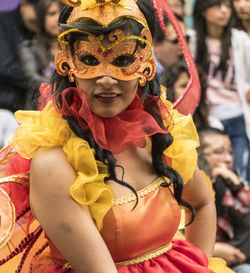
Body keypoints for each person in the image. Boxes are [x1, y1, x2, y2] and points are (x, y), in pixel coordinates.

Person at [0, 0, 233, 272]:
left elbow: (203, 204)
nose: (107, 79)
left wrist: (198, 265)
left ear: (145, 65)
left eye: (123, 60)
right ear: (67, 64)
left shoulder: (162, 131)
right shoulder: (54, 163)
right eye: (89, 60)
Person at [193, 0, 250, 181]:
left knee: (240, 169)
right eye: (217, 6)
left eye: (227, 6)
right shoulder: (193, 40)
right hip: (210, 115)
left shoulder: (240, 40)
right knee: (211, 171)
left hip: (238, 113)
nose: (224, 11)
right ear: (203, 10)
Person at [198, 127, 250, 273]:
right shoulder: (186, 187)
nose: (228, 159)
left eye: (230, 152)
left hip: (235, 258)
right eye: (219, 152)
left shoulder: (227, 183)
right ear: (198, 155)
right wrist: (215, 250)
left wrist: (237, 185)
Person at [18, 0, 64, 110]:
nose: (58, 19)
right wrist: (64, 86)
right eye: (52, 14)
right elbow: (32, 79)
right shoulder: (29, 48)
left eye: (62, 14)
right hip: (39, 113)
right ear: (42, 18)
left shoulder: (74, 48)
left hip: (68, 111)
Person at [0, 0, 39, 112]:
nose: (38, 26)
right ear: (24, 4)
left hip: (34, 109)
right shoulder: (3, 22)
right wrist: (42, 84)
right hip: (5, 108)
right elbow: (5, 66)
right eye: (35, 20)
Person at [161, 60, 209, 130]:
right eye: (184, 86)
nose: (190, 91)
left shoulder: (213, 123)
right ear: (170, 90)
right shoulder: (162, 125)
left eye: (193, 86)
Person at [153, 13, 189, 79]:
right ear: (156, 44)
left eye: (186, 39)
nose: (183, 47)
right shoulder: (145, 73)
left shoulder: (188, 69)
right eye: (176, 41)